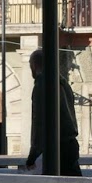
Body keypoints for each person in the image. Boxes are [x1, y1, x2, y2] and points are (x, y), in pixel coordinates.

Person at [27, 46, 82, 175]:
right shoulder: (63, 83)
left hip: (56, 147)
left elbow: (39, 121)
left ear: (34, 65)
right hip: (71, 144)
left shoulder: (42, 84)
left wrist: (33, 154)